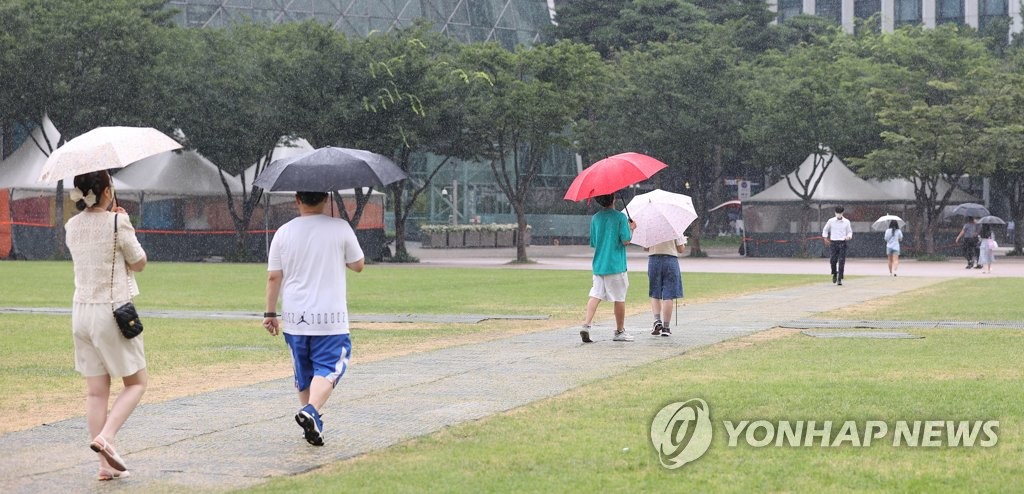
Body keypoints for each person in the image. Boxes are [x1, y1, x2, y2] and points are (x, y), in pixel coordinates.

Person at [64, 170, 148, 481]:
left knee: (96, 393)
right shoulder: (117, 222)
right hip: (112, 311)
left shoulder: (71, 225)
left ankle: (104, 466)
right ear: (106, 191)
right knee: (136, 382)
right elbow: (139, 262)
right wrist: (123, 224)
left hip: (81, 312)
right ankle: (107, 437)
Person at [263, 191, 365, 446]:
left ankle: (313, 422)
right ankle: (310, 412)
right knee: (329, 368)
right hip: (330, 318)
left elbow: (274, 276)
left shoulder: (283, 232)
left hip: (295, 317)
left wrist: (269, 313)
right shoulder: (340, 227)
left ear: (297, 199)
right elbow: (358, 264)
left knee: (304, 371)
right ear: (326, 199)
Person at [580, 193, 636, 343]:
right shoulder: (620, 217)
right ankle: (619, 331)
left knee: (596, 294)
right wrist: (632, 229)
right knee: (619, 298)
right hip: (616, 265)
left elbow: (594, 242)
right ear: (614, 199)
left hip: (599, 265)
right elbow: (626, 240)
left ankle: (586, 324)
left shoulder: (595, 218)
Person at [648, 236, 686, 337]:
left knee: (655, 292)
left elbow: (646, 248)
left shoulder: (651, 227)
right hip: (670, 260)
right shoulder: (675, 227)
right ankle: (666, 327)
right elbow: (681, 249)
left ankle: (657, 320)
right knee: (668, 295)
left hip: (654, 260)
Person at [822, 205, 853, 286]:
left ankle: (840, 278)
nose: (838, 214)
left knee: (842, 261)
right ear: (835, 213)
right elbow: (825, 230)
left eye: (840, 213)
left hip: (842, 242)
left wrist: (849, 236)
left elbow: (849, 232)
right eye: (837, 213)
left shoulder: (846, 222)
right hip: (833, 243)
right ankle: (835, 273)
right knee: (833, 260)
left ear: (842, 213)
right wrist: (825, 238)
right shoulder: (831, 221)